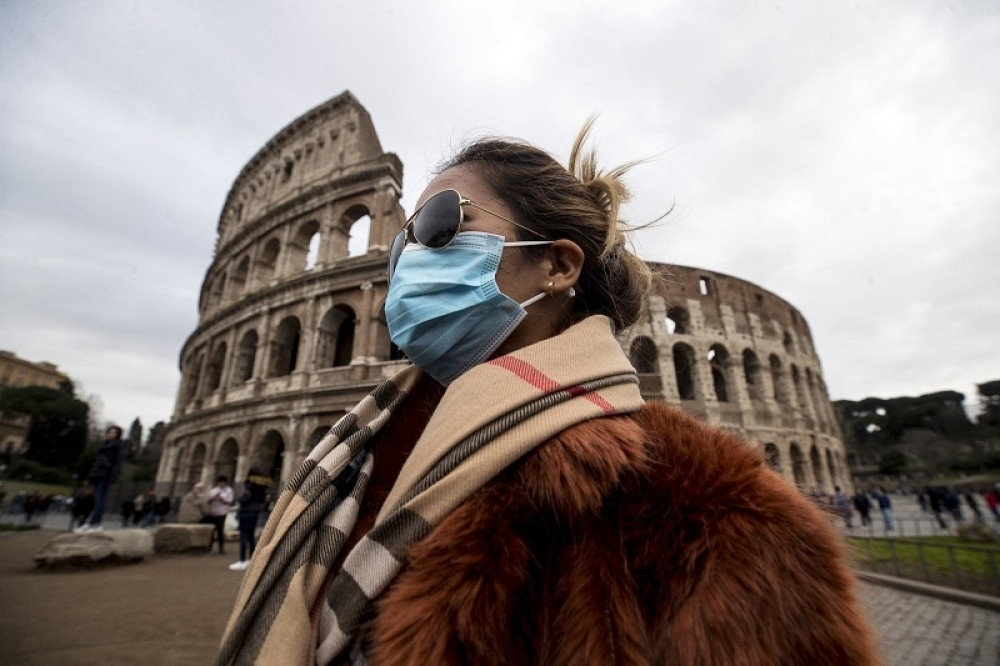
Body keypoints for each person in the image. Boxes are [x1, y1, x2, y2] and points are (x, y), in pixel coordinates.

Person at [217, 123, 880, 665]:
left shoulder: (712, 514)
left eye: (441, 227)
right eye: (400, 250)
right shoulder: (361, 454)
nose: (409, 262)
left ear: (559, 265)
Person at [75, 425, 124, 533]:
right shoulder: (105, 445)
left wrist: (113, 475)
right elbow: (97, 462)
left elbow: (117, 463)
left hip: (105, 474)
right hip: (99, 474)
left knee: (100, 500)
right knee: (98, 500)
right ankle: (95, 523)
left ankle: (95, 523)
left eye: (113, 432)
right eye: (110, 432)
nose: (110, 434)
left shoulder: (116, 446)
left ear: (117, 435)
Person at [229, 468, 270, 572]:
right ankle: (252, 560)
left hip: (245, 512)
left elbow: (242, 499)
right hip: (255, 512)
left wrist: (241, 495)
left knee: (243, 536)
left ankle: (242, 560)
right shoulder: (262, 486)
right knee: (251, 536)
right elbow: (264, 500)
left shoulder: (247, 485)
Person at [203, 475, 233, 554]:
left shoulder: (229, 490)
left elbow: (230, 501)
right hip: (212, 513)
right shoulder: (213, 490)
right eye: (220, 482)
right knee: (211, 531)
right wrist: (213, 498)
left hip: (222, 513)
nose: (221, 484)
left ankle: (221, 548)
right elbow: (207, 500)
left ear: (225, 483)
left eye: (223, 482)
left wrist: (222, 499)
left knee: (220, 530)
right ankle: (208, 548)